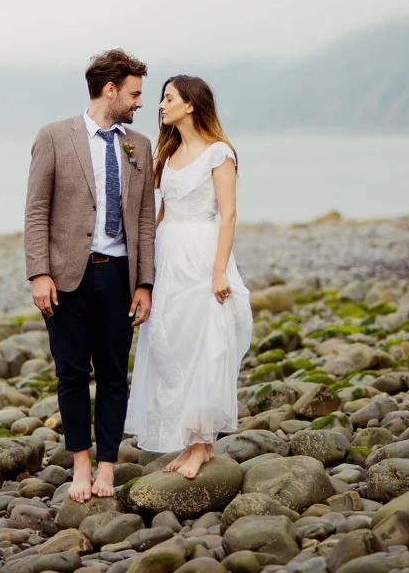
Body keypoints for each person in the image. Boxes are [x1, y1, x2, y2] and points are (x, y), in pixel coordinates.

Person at [24, 49, 156, 502]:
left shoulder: (139, 143)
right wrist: (39, 273)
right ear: (110, 89)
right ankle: (80, 465)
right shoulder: (54, 136)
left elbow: (143, 218)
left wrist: (145, 283)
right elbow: (37, 209)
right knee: (72, 374)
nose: (140, 102)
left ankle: (107, 467)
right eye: (135, 93)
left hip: (119, 277)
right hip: (65, 278)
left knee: (116, 376)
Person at [124, 74, 253, 479]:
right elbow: (161, 213)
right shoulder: (170, 152)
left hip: (201, 253)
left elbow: (228, 214)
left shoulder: (219, 154)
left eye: (168, 98)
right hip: (170, 253)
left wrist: (219, 271)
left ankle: (202, 444)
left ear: (190, 105)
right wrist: (148, 264)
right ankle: (186, 440)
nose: (160, 106)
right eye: (161, 99)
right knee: (169, 344)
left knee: (204, 342)